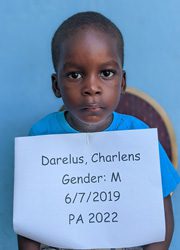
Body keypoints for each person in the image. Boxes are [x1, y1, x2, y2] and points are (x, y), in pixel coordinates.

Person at [17, 11, 180, 250]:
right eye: (75, 75)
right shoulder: (42, 135)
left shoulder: (139, 136)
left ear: (122, 82)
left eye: (106, 73)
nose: (91, 88)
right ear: (56, 85)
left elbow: (161, 213)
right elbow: (30, 214)